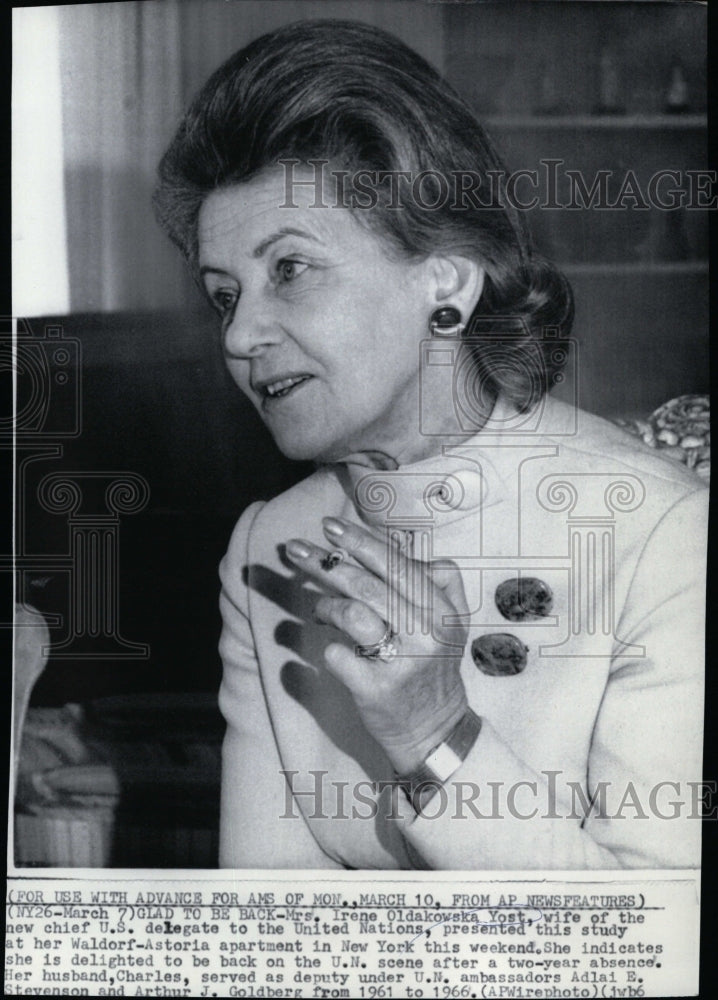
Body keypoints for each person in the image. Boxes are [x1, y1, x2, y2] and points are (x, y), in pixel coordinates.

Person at [154, 20, 706, 870]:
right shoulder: (268, 546)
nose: (240, 335)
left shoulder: (661, 532)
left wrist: (435, 735)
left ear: (445, 280)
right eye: (225, 295)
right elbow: (270, 922)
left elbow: (660, 945)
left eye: (290, 269)